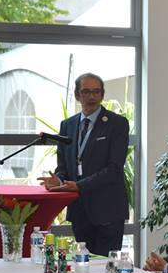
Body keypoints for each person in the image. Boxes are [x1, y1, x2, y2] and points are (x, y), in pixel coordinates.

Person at [38, 72, 129, 256]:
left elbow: (114, 169)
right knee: (83, 263)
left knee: (104, 265)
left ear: (102, 95)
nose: (92, 96)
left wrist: (78, 186)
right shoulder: (68, 125)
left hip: (108, 210)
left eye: (96, 92)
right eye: (86, 92)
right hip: (80, 211)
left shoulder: (117, 123)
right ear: (77, 95)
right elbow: (63, 166)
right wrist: (59, 181)